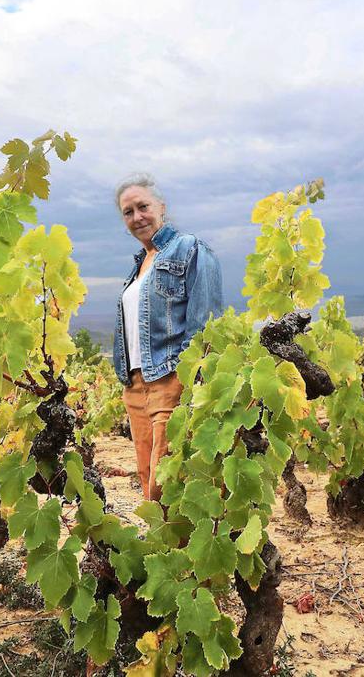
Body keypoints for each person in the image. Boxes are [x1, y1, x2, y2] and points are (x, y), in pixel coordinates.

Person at [112, 174, 224, 501]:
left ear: (162, 206)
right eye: (128, 212)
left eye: (143, 206)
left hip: (170, 380)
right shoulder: (139, 265)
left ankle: (184, 549)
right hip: (135, 385)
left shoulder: (190, 249)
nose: (137, 217)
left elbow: (206, 323)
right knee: (148, 478)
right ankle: (162, 548)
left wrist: (196, 382)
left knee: (169, 480)